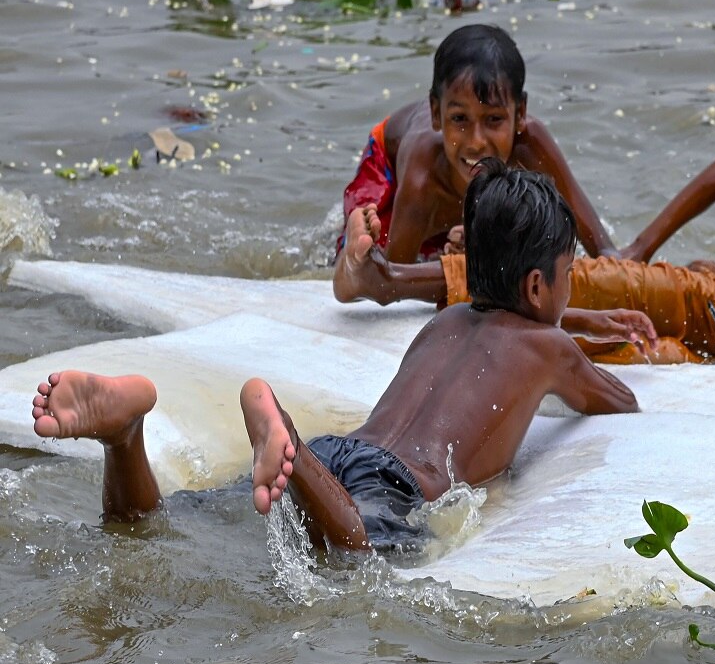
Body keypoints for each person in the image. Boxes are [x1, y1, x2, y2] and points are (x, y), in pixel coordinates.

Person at [31, 161, 640, 552]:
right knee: (356, 553)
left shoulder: (448, 320)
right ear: (538, 287)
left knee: (147, 531)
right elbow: (617, 401)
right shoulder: (551, 347)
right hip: (399, 484)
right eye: (568, 274)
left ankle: (125, 436)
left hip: (341, 450)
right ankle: (282, 436)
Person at [335, 159, 715, 364]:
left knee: (624, 348)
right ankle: (388, 279)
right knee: (588, 279)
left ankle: (461, 272)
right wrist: (639, 250)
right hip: (710, 302)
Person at [333, 23, 614, 267]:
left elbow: (603, 250)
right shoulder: (423, 178)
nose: (477, 142)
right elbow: (389, 280)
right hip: (389, 164)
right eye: (459, 119)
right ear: (436, 114)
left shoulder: (531, 148)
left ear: (520, 114)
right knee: (365, 248)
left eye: (494, 119)